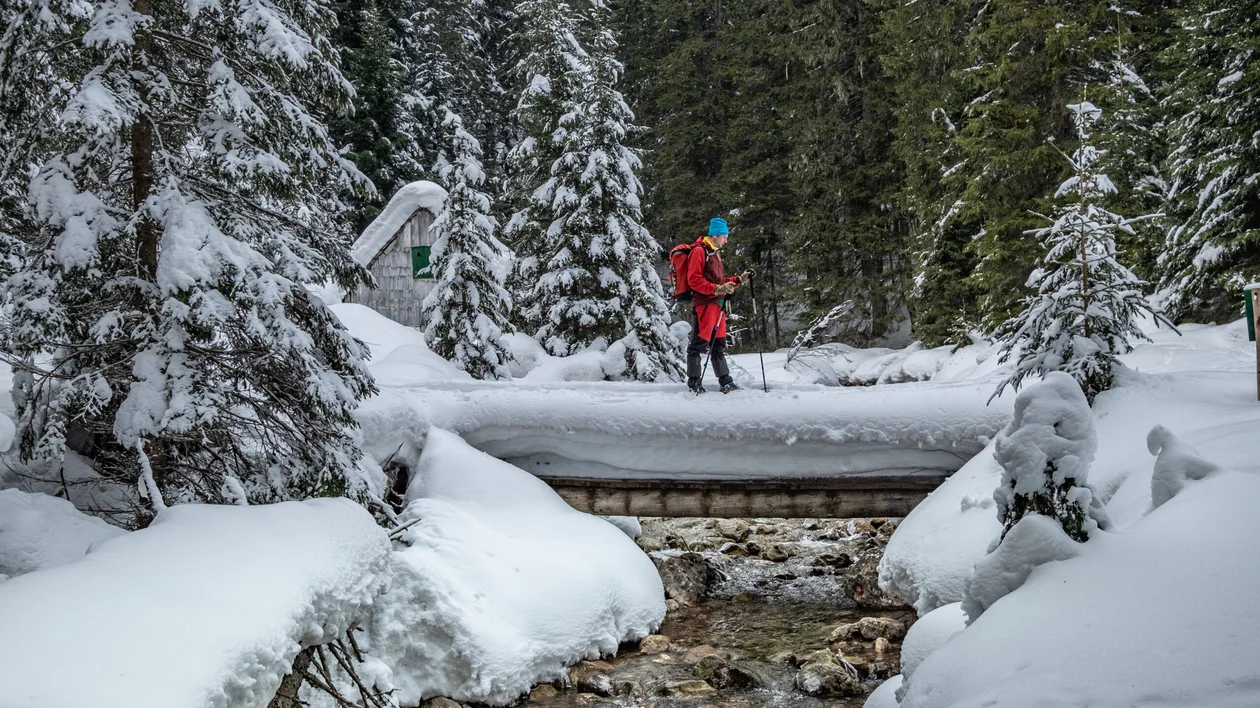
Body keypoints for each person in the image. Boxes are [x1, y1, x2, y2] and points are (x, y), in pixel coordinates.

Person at [684, 217, 753, 393]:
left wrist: (738, 280)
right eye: (724, 236)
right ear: (715, 235)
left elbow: (720, 282)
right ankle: (694, 383)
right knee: (697, 345)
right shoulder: (700, 252)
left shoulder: (714, 252)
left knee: (718, 345)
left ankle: (725, 381)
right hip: (704, 306)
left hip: (717, 305)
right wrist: (717, 289)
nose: (726, 240)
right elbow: (694, 280)